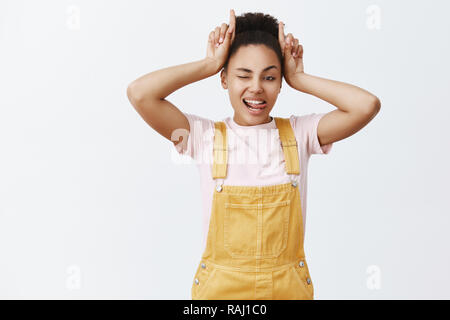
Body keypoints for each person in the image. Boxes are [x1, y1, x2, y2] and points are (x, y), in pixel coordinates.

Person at [127, 9, 381, 300]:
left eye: (270, 77)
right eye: (243, 75)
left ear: (281, 81)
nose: (257, 88)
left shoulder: (301, 134)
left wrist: (299, 76)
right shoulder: (202, 137)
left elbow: (366, 105)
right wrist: (209, 63)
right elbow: (140, 94)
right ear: (224, 79)